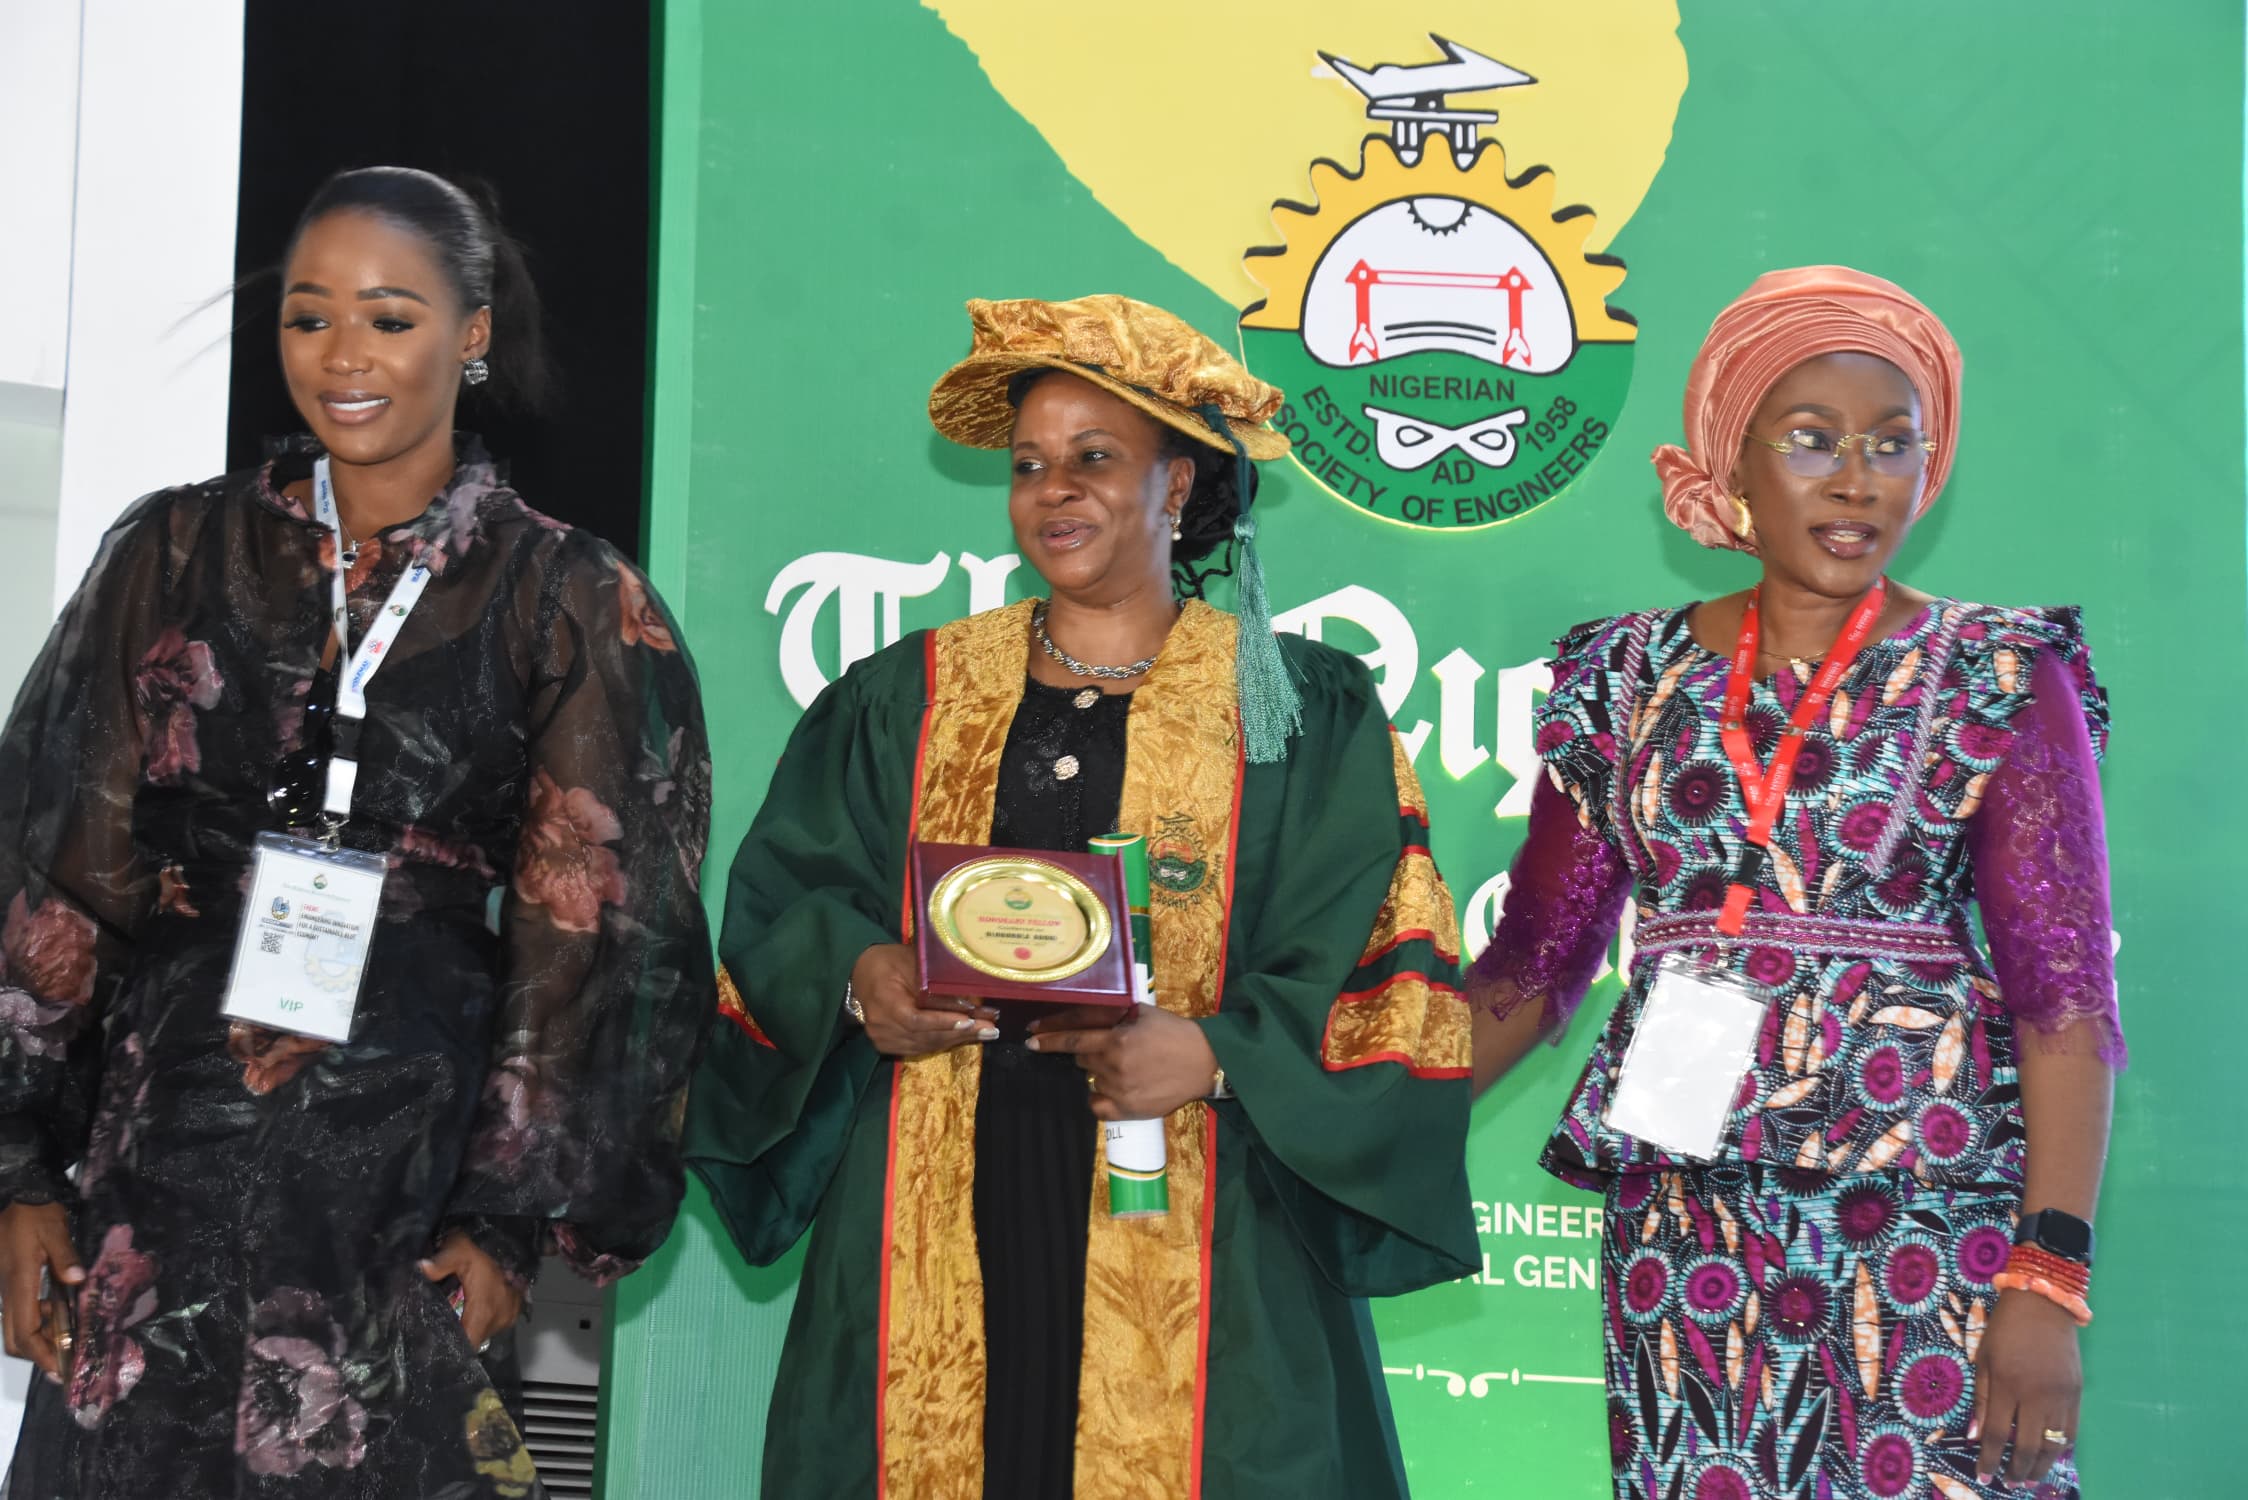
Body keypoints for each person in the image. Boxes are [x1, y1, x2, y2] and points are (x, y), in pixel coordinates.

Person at [685, 294, 1476, 1499]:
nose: (1052, 490)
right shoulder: (908, 695)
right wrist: (857, 979)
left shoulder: (1300, 709)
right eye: (1028, 465)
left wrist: (1216, 1055)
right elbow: (788, 899)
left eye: (1094, 458)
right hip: (937, 1187)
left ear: (1178, 484)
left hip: (1207, 1209)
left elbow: (1373, 952)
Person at [0, 166, 713, 1496]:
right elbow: (55, 868)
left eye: (389, 319)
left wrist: (505, 1221)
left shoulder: (564, 592)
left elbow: (599, 931)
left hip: (406, 1171)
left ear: (472, 333)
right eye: (309, 316)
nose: (343, 356)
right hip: (158, 1148)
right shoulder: (172, 550)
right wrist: (19, 1167)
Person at [1466, 266, 2121, 1500]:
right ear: (1732, 462)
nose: (1857, 479)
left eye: (1893, 443)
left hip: (1928, 1216)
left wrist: (2047, 1278)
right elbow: (1533, 965)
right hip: (1685, 1226)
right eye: (1812, 439)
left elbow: (2064, 999)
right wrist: (1332, 1114)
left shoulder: (1998, 673)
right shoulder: (1620, 678)